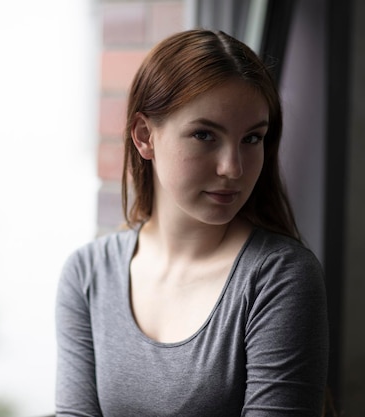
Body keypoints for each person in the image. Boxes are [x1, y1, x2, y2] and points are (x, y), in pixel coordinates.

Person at [55, 29, 328, 416]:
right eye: (205, 135)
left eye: (252, 139)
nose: (232, 168)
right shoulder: (87, 274)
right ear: (145, 136)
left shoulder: (279, 277)